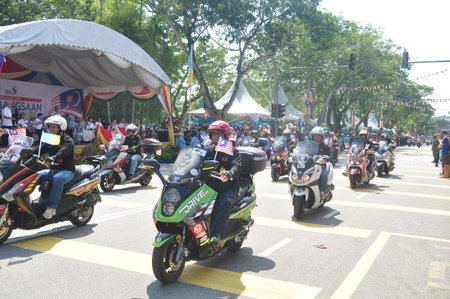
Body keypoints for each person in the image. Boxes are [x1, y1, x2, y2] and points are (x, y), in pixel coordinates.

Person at [205, 120, 241, 248]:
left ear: (225, 135)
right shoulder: (207, 149)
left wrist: (230, 173)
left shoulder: (232, 150)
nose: (215, 136)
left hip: (228, 187)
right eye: (213, 134)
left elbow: (237, 166)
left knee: (224, 202)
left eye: (219, 134)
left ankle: (217, 234)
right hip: (210, 185)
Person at [36, 115, 75, 219]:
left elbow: (63, 151)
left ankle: (51, 208)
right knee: (34, 176)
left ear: (61, 128)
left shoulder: (68, 140)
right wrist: (26, 154)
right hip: (53, 170)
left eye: (54, 127)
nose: (51, 129)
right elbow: (41, 150)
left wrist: (53, 158)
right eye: (50, 127)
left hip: (67, 171)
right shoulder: (51, 139)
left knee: (57, 179)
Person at [310, 127, 331, 199]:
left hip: (321, 166)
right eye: (315, 135)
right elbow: (303, 151)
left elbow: (329, 156)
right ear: (312, 136)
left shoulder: (325, 146)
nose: (317, 137)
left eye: (319, 135)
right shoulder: (309, 145)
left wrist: (326, 157)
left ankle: (322, 191)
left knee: (323, 174)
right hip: (310, 165)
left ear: (322, 137)